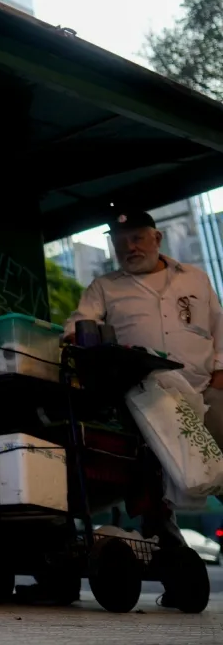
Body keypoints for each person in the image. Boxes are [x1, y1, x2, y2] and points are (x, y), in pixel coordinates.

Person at [63, 210, 223, 579]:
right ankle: (169, 548)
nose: (129, 247)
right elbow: (78, 322)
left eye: (136, 238)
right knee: (146, 466)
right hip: (146, 394)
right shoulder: (105, 286)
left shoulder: (195, 278)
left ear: (157, 238)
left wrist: (220, 372)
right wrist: (74, 335)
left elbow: (219, 325)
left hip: (205, 388)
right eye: (120, 242)